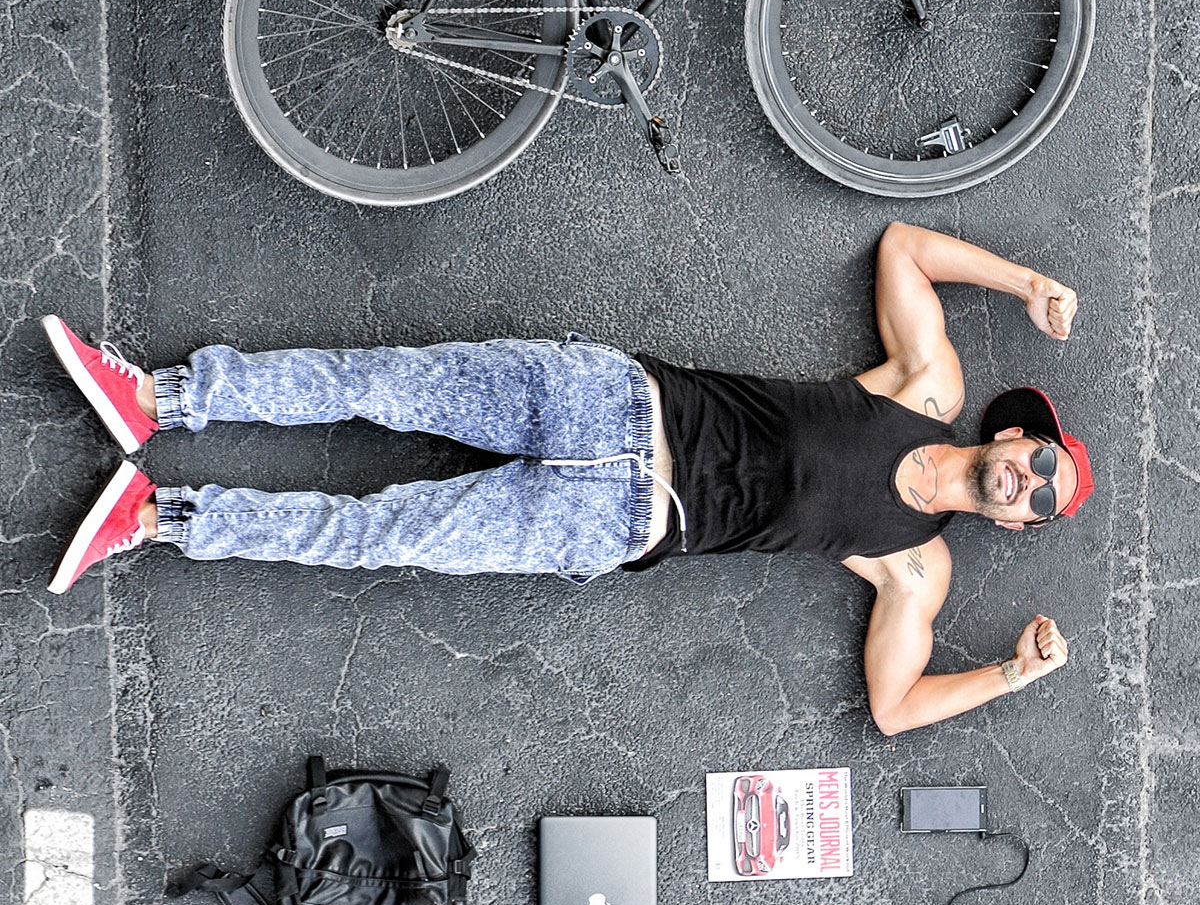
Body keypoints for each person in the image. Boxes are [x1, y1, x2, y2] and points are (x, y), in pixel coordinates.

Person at [42, 222, 1092, 735]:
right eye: (1041, 461)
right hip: (615, 400)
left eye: (1043, 501)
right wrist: (1026, 278)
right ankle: (160, 402)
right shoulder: (929, 381)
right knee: (380, 382)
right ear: (1014, 433)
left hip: (612, 522)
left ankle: (159, 515)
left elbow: (894, 707)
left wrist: (1008, 675)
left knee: (376, 534)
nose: (1029, 485)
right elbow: (904, 248)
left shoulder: (917, 574)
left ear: (1018, 524)